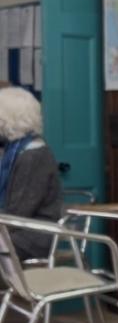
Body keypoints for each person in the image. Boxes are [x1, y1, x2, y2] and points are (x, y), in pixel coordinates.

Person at [0, 86, 62, 260]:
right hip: (14, 229)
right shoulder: (13, 151)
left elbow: (18, 212)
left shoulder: (33, 155)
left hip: (34, 234)